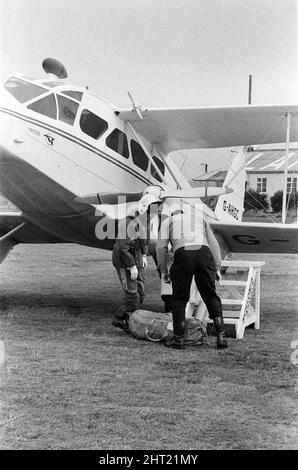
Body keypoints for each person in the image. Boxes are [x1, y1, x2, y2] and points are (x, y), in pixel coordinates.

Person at [156, 200, 228, 349]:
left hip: (183, 255)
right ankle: (221, 337)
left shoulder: (166, 222)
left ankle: (178, 340)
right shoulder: (199, 219)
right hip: (204, 253)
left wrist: (164, 270)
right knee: (210, 295)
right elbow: (214, 245)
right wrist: (216, 267)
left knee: (179, 298)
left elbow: (161, 248)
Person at [112, 211, 148, 331]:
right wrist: (131, 266)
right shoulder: (126, 224)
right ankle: (121, 318)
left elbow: (143, 239)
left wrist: (144, 255)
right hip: (123, 261)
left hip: (134, 257)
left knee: (140, 291)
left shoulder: (141, 222)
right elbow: (123, 248)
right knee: (132, 293)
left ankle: (128, 317)